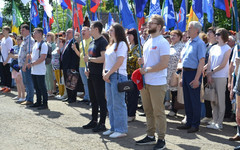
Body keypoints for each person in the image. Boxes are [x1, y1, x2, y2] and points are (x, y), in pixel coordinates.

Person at [136, 15, 170, 150]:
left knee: (158, 112)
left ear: (159, 26)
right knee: (148, 111)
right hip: (146, 82)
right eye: (148, 23)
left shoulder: (163, 42)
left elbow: (164, 64)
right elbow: (149, 60)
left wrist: (147, 69)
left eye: (152, 23)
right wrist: (142, 62)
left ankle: (161, 139)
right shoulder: (148, 41)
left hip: (157, 82)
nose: (148, 25)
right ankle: (150, 136)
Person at [177, 21, 206, 133]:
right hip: (186, 72)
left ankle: (195, 124)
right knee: (187, 100)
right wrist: (183, 77)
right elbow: (184, 61)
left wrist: (197, 78)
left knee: (194, 100)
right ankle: (188, 122)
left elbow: (201, 61)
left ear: (196, 30)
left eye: (190, 28)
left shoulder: (200, 43)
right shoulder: (188, 42)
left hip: (194, 73)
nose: (187, 30)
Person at [102, 23, 129, 138]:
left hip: (117, 76)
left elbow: (119, 61)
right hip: (109, 75)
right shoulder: (111, 45)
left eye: (111, 30)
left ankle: (121, 129)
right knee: (110, 103)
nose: (109, 32)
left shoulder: (122, 44)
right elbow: (106, 61)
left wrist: (108, 73)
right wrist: (104, 72)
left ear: (117, 31)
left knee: (118, 104)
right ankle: (113, 127)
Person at [83, 21, 108, 132]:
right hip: (91, 74)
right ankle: (93, 120)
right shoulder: (93, 42)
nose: (89, 30)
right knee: (93, 99)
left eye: (91, 28)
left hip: (99, 75)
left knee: (100, 99)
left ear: (96, 29)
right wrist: (86, 68)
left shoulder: (103, 42)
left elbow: (103, 58)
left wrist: (89, 60)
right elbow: (89, 58)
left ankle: (102, 122)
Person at [206, 28, 231, 130]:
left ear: (223, 36)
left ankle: (219, 122)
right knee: (213, 100)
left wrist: (211, 72)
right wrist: (209, 74)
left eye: (218, 34)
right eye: (215, 34)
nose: (216, 36)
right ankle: (214, 120)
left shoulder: (228, 48)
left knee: (220, 100)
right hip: (212, 76)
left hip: (221, 77)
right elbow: (209, 62)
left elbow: (223, 64)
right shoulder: (213, 48)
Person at [27, 28, 49, 110]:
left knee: (42, 87)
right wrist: (30, 57)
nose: (33, 34)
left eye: (35, 32)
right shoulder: (35, 44)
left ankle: (45, 103)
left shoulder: (43, 44)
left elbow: (42, 57)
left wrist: (32, 63)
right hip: (34, 69)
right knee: (36, 87)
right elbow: (34, 56)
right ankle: (38, 101)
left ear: (40, 34)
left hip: (40, 70)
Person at [201, 27, 218, 124]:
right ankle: (208, 115)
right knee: (207, 94)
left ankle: (212, 116)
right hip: (206, 73)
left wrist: (207, 69)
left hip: (212, 74)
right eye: (208, 32)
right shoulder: (208, 45)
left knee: (212, 95)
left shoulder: (216, 46)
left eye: (210, 32)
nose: (208, 33)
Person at [167, 30, 184, 117]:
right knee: (170, 90)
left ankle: (174, 109)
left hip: (175, 72)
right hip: (167, 71)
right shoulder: (169, 46)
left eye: (174, 36)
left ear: (179, 37)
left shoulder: (182, 46)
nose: (172, 37)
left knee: (175, 91)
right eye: (171, 35)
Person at [72, 26, 92, 103]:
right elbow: (80, 54)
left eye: (84, 31)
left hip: (88, 65)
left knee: (89, 83)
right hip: (81, 65)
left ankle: (90, 98)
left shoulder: (91, 41)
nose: (82, 32)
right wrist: (75, 49)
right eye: (82, 31)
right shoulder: (81, 42)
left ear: (89, 31)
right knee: (84, 83)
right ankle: (86, 97)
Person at [126, 28, 142, 122]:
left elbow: (135, 58)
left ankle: (132, 114)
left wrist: (125, 58)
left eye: (130, 35)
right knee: (128, 95)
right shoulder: (128, 46)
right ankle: (128, 112)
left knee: (133, 95)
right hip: (127, 73)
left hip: (135, 74)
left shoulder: (138, 47)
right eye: (127, 35)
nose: (128, 37)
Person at [18, 24, 35, 105]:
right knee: (25, 82)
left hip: (27, 65)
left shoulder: (30, 40)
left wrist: (25, 65)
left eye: (23, 30)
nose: (21, 31)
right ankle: (28, 98)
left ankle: (30, 99)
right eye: (21, 30)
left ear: (28, 30)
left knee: (28, 82)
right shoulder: (24, 40)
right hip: (22, 65)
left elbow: (29, 54)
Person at [61, 28, 80, 103]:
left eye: (68, 32)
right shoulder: (67, 42)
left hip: (71, 66)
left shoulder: (74, 42)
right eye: (66, 32)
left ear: (73, 33)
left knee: (72, 82)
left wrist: (73, 67)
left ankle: (73, 97)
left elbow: (74, 56)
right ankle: (69, 97)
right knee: (67, 82)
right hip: (65, 66)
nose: (66, 33)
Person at [9, 35, 25, 102]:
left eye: (19, 39)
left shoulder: (23, 47)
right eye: (17, 39)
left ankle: (23, 96)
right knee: (17, 81)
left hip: (19, 66)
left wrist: (14, 56)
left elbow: (20, 56)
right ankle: (19, 95)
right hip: (13, 66)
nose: (18, 41)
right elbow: (10, 54)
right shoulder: (14, 47)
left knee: (21, 81)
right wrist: (15, 56)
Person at [0, 26, 13, 93]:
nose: (3, 31)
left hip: (7, 60)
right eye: (2, 30)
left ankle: (8, 86)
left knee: (8, 74)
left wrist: (7, 60)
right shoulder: (3, 39)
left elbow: (11, 50)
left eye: (4, 30)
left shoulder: (9, 39)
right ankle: (4, 86)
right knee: (3, 74)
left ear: (8, 31)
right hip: (2, 59)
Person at [46, 32, 56, 97]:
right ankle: (48, 90)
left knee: (50, 77)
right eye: (46, 35)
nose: (47, 36)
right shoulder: (45, 43)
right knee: (46, 77)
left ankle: (51, 91)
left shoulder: (53, 44)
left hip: (50, 62)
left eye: (48, 35)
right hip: (46, 62)